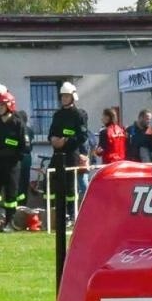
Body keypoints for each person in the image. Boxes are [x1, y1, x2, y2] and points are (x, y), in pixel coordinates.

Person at [0, 89, 29, 231]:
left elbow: (24, 146)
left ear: (10, 106)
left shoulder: (17, 123)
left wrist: (11, 154)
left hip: (11, 165)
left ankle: (10, 222)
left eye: (2, 105)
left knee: (11, 195)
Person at [47, 82, 89, 226]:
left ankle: (71, 214)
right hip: (57, 154)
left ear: (73, 97)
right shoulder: (57, 115)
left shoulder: (79, 115)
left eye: (67, 96)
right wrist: (53, 139)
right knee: (52, 180)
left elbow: (82, 136)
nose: (64, 98)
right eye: (62, 96)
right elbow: (51, 132)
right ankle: (55, 212)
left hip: (71, 154)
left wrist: (66, 141)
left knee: (70, 186)